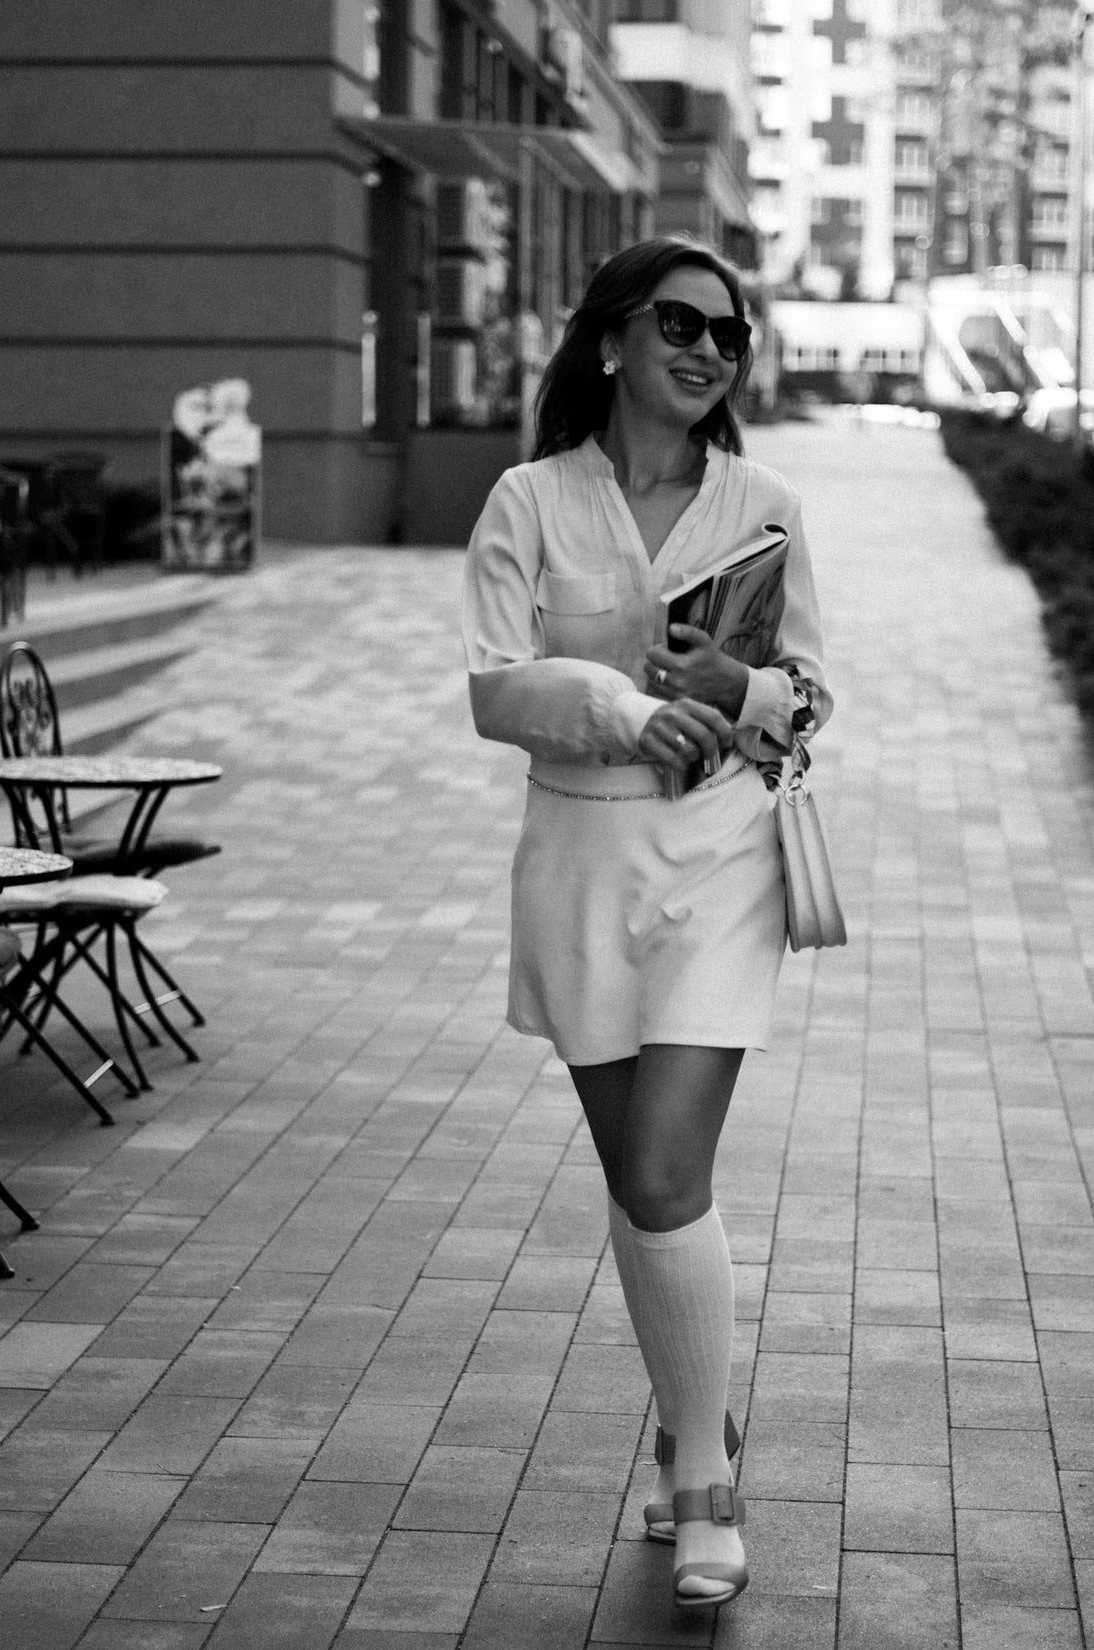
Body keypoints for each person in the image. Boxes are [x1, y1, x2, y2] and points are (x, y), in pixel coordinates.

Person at [460, 237, 832, 1612]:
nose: (709, 352)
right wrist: (624, 708)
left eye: (730, 336)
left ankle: (705, 1482)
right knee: (639, 1179)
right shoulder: (527, 499)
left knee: (668, 1169)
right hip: (581, 858)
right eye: (682, 324)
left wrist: (742, 683)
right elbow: (495, 687)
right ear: (612, 337)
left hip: (722, 854)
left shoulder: (765, 503)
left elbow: (812, 694)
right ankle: (693, 1421)